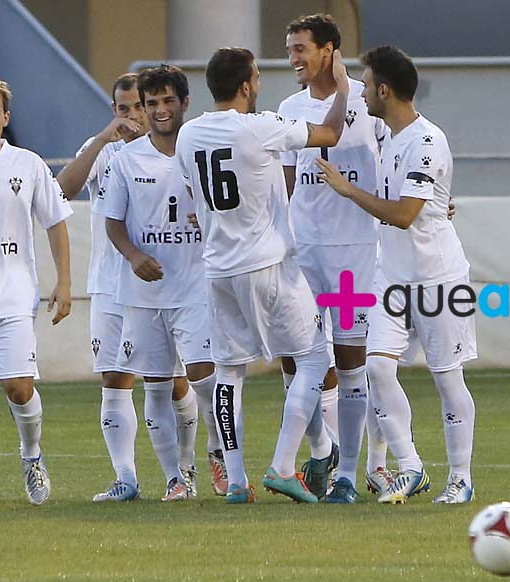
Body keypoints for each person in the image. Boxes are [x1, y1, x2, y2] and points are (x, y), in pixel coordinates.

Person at [174, 46, 348, 504]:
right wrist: (344, 88)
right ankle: (284, 466)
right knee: (312, 358)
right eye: (256, 77)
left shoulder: (189, 136)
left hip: (218, 271)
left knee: (229, 372)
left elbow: (194, 194)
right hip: (268, 265)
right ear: (247, 85)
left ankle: (235, 481)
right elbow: (329, 132)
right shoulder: (259, 127)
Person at [317, 46, 478, 504]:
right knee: (377, 369)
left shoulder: (427, 141)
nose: (364, 92)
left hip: (437, 278)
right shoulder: (388, 135)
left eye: (367, 84)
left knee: (448, 378)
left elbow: (406, 214)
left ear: (384, 89)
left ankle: (461, 478)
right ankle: (410, 466)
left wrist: (349, 191)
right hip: (392, 278)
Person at [57, 73, 228, 502]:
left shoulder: (187, 149)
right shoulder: (109, 152)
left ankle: (190, 464)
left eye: (141, 105)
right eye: (125, 108)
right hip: (113, 286)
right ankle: (127, 479)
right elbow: (64, 191)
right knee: (117, 378)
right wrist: (103, 137)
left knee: (181, 380)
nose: (135, 115)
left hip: (176, 282)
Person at [278, 13, 394, 503]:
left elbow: (395, 170)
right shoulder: (288, 107)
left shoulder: (368, 106)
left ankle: (349, 472)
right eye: (290, 50)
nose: (294, 59)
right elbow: (283, 182)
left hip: (353, 254)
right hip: (302, 253)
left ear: (329, 49)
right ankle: (322, 450)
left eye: (301, 48)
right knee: (295, 358)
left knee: (351, 362)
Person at [99, 65, 219, 502]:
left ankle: (217, 449)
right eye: (152, 103)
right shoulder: (126, 160)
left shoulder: (203, 151)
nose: (161, 110)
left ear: (185, 103)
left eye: (168, 101)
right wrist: (134, 256)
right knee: (156, 384)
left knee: (205, 377)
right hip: (145, 292)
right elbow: (112, 223)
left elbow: (231, 208)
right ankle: (174, 478)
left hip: (196, 286)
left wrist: (207, 219)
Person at [0, 77, 73, 505]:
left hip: (11, 294)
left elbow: (55, 221)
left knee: (19, 387)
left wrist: (63, 281)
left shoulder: (26, 164)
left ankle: (32, 456)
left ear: (5, 118)